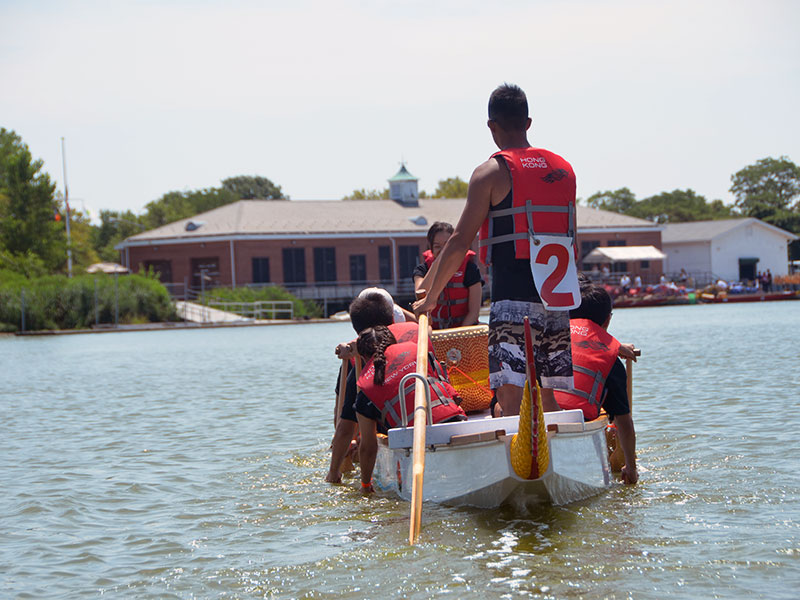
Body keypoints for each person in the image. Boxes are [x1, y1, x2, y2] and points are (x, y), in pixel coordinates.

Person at [413, 83, 576, 417]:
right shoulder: (563, 170)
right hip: (556, 300)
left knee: (511, 394)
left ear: (492, 126)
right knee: (547, 394)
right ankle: (560, 455)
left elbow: (460, 241)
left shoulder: (490, 172)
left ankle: (518, 465)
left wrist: (430, 296)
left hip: (513, 299)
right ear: (528, 122)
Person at [354, 325, 466, 492]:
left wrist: (365, 485)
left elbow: (368, 447)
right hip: (456, 423)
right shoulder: (419, 353)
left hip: (417, 443)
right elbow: (451, 393)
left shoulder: (364, 393)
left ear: (363, 357)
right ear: (393, 342)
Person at [325, 290, 419, 484]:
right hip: (425, 421)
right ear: (393, 318)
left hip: (386, 429)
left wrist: (333, 474)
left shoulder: (362, 373)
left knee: (356, 435)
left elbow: (343, 427)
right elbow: (423, 323)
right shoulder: (416, 341)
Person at [553, 283, 638, 484]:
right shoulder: (611, 361)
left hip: (533, 418)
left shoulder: (549, 337)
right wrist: (631, 468)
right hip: (575, 424)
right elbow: (624, 423)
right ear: (607, 320)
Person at [413, 221, 483, 329]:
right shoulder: (422, 270)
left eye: (447, 245)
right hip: (434, 331)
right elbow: (420, 294)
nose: (443, 250)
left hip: (463, 331)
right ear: (431, 248)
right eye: (437, 246)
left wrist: (459, 337)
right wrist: (438, 262)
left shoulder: (470, 269)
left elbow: (474, 312)